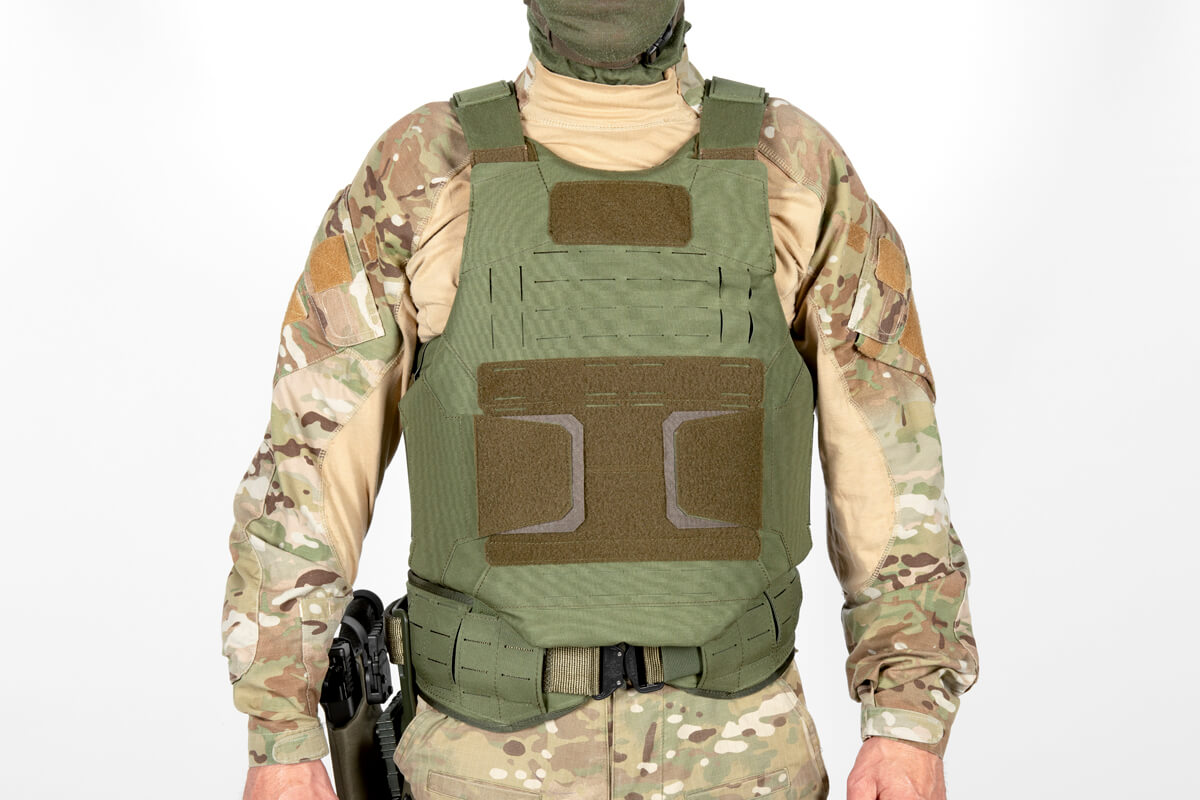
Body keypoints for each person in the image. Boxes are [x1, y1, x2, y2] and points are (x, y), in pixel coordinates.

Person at [222, 2, 979, 798]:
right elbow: (310, 466)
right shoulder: (418, 172)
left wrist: (907, 718)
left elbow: (890, 467)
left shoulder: (795, 168)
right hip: (487, 762)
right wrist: (281, 736)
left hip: (735, 760)